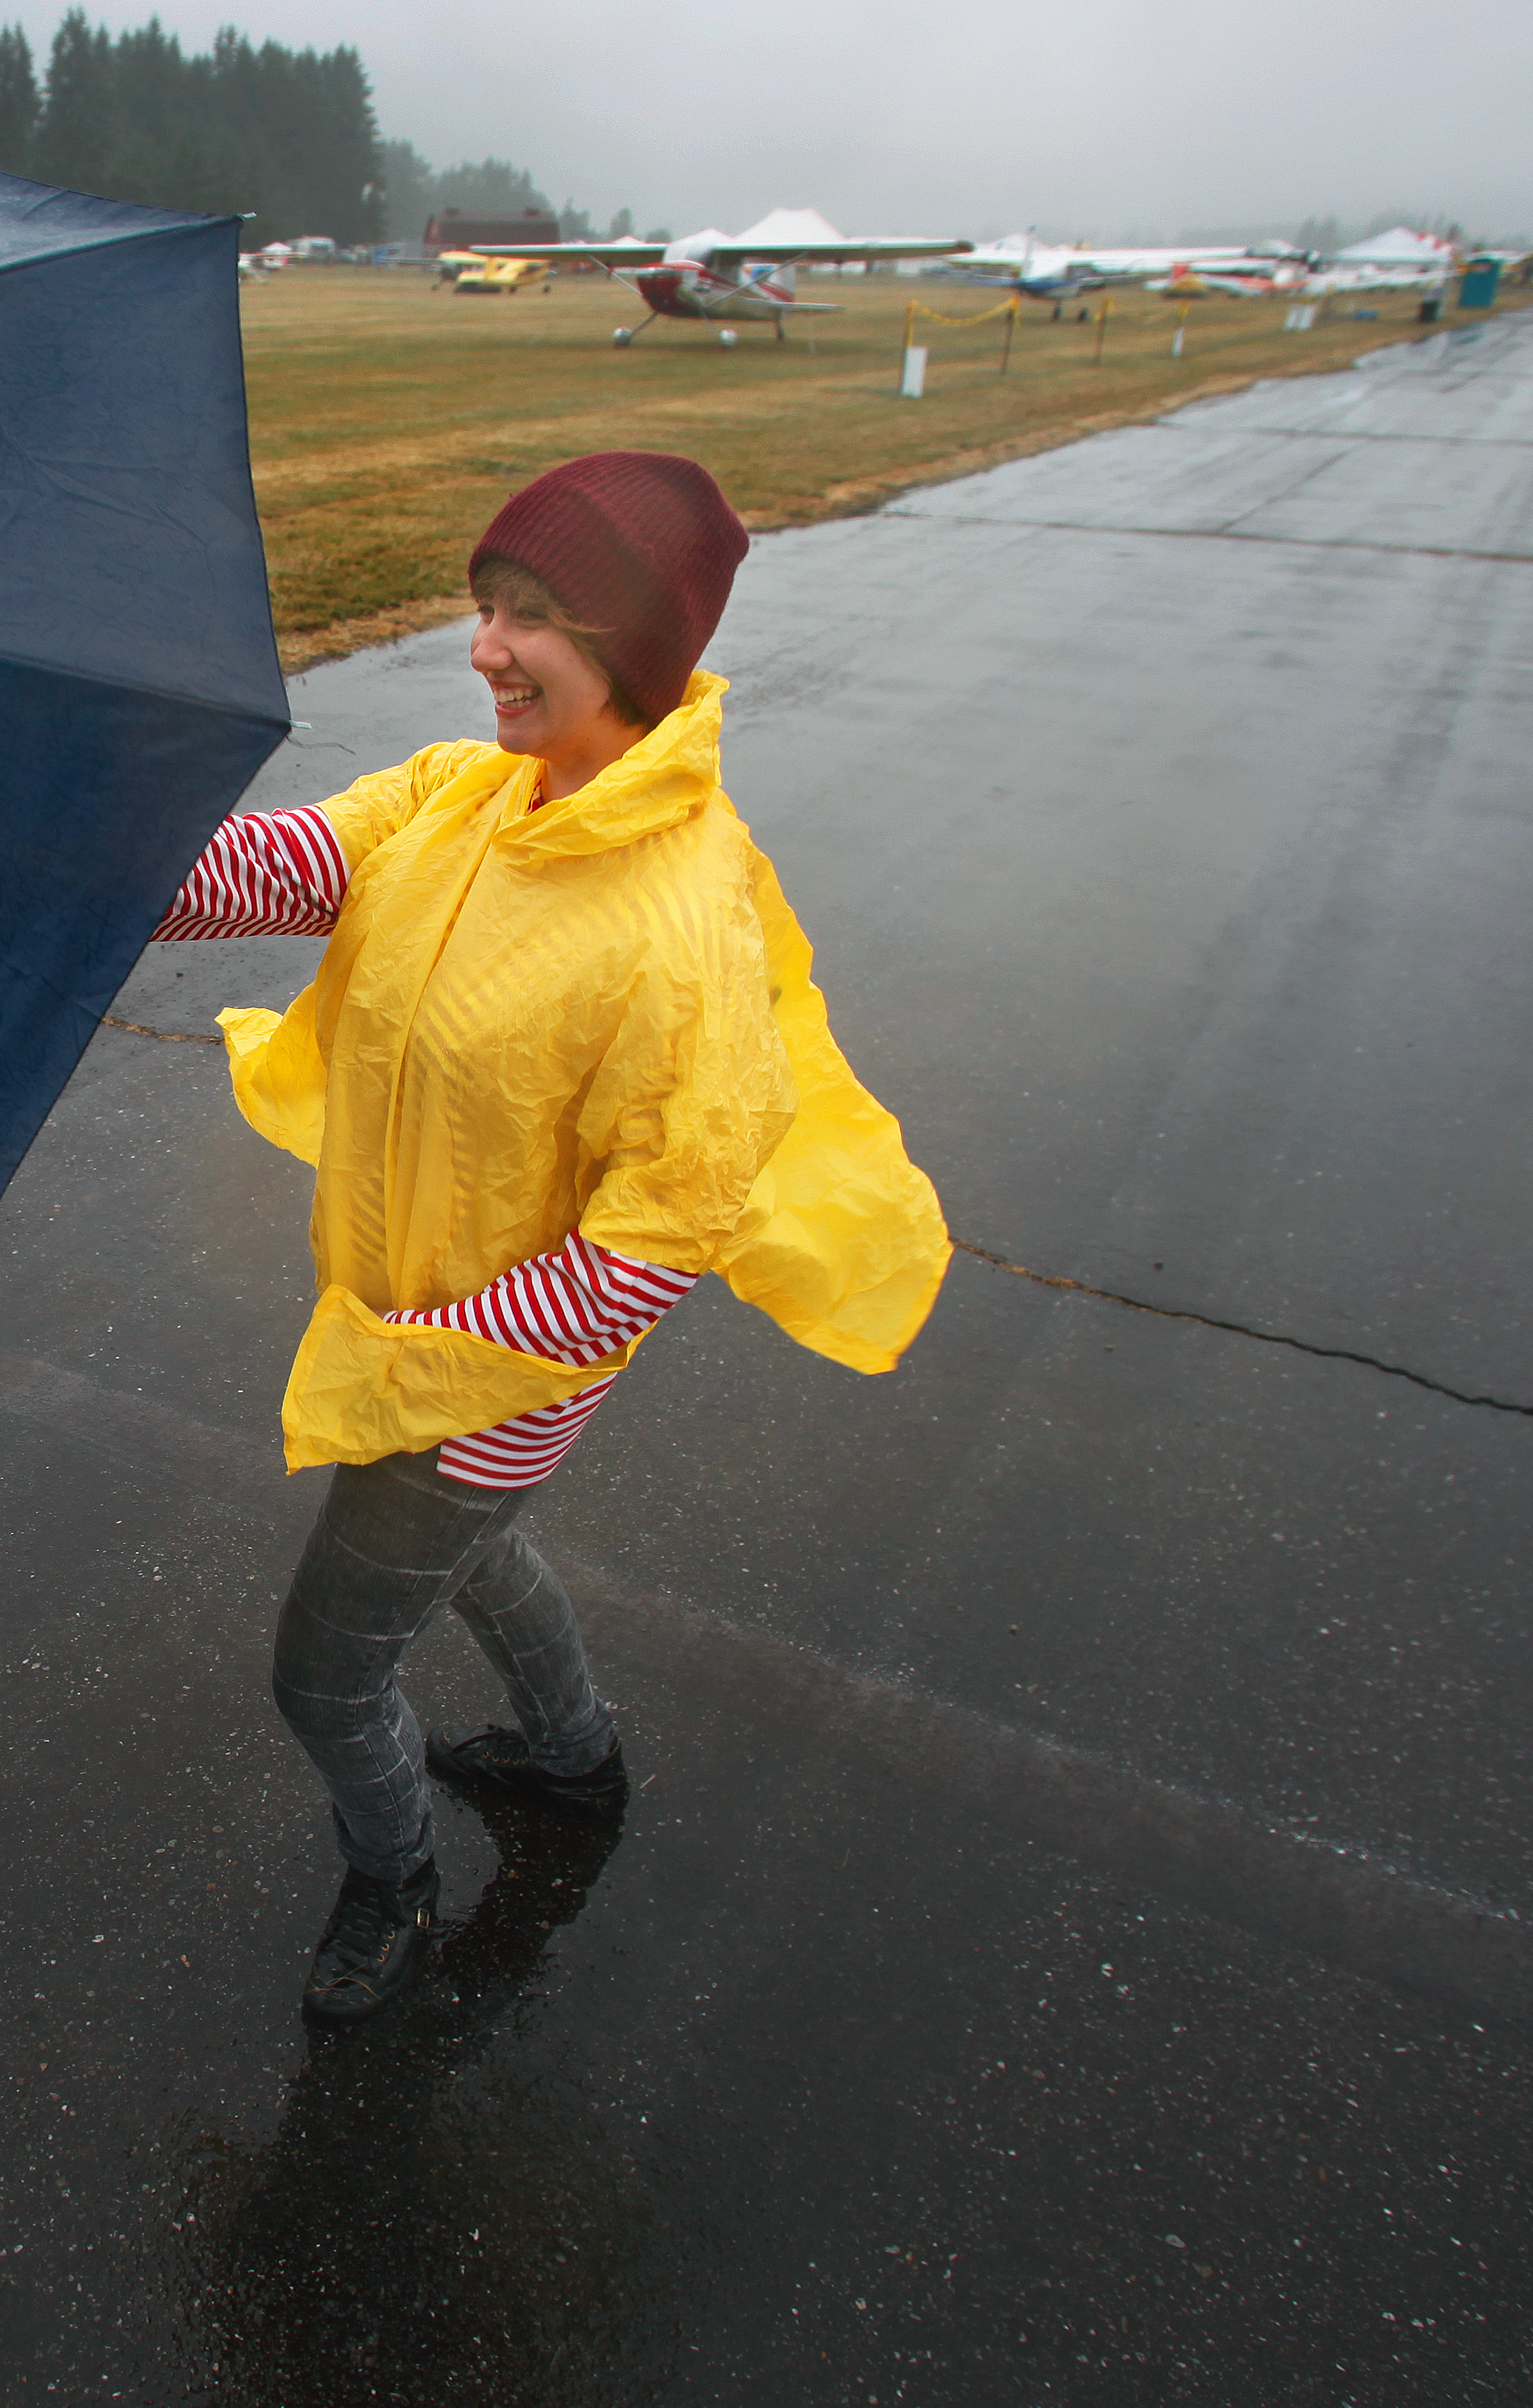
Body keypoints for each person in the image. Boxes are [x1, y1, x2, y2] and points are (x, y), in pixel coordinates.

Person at [149, 451, 950, 2024]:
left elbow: (660, 1234)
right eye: (484, 603)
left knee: (321, 1671)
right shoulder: (469, 792)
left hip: (482, 1374)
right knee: (474, 1551)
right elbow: (278, 865)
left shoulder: (677, 923)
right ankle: (570, 1753)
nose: (482, 646)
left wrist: (417, 1373)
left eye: (529, 617)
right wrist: (73, 858)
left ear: (633, 649)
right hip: (405, 1324)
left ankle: (392, 1875)